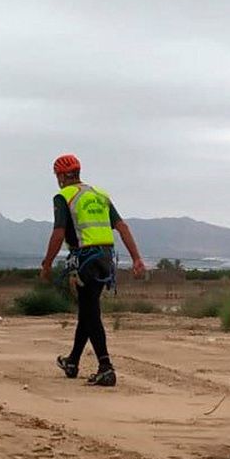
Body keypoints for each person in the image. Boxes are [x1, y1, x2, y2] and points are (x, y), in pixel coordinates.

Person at [40, 154, 147, 386]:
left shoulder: (64, 196)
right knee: (88, 310)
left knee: (90, 312)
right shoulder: (99, 194)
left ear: (60, 176)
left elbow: (58, 233)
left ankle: (105, 366)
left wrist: (47, 263)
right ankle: (73, 361)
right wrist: (136, 258)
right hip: (106, 258)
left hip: (85, 258)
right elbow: (122, 227)